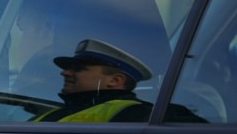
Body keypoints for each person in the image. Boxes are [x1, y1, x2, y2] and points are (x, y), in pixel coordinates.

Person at [31, 38, 204, 123]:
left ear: (114, 80)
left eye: (78, 68)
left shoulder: (139, 115)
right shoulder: (53, 111)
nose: (65, 73)